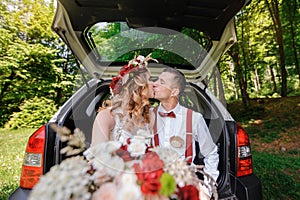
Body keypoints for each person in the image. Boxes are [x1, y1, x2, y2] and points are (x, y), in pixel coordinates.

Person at [153, 68, 219, 199]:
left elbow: (211, 154)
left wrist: (207, 189)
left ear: (174, 92)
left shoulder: (194, 118)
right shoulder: (148, 116)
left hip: (185, 186)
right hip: (154, 186)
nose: (155, 84)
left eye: (161, 82)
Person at [91, 54, 157, 146]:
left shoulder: (150, 117)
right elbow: (97, 156)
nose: (153, 84)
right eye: (150, 79)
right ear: (138, 85)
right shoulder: (107, 116)